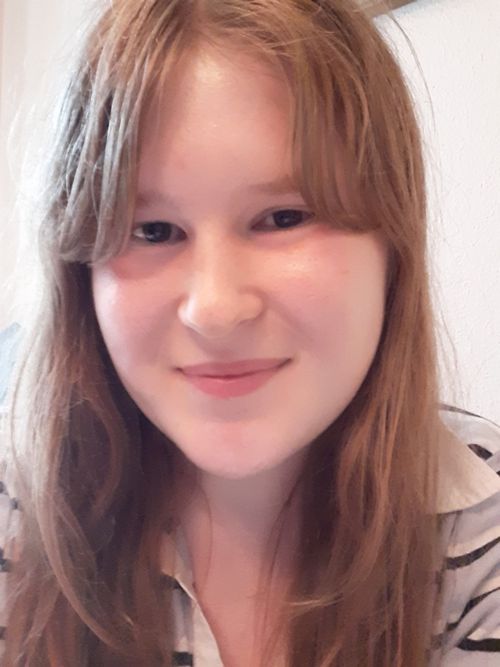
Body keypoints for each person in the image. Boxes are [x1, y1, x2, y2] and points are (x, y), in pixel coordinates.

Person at [0, 0, 499, 665]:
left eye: (283, 217)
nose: (214, 309)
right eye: (153, 230)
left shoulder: (483, 521)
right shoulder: (18, 512)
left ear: (391, 244)